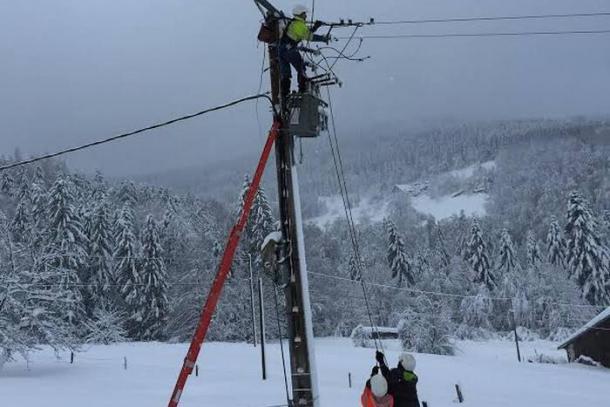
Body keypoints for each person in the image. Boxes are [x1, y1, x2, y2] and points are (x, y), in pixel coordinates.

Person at [279, 4, 328, 97]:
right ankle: (302, 90)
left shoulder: (294, 23)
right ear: (300, 14)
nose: (306, 16)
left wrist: (315, 27)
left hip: (282, 50)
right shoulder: (298, 24)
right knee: (301, 67)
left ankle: (284, 95)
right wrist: (323, 38)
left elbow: (305, 33)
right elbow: (308, 36)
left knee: (286, 74)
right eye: (304, 14)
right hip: (289, 50)